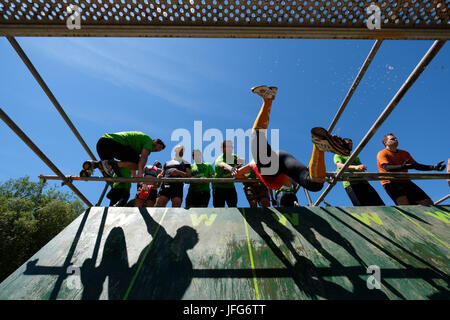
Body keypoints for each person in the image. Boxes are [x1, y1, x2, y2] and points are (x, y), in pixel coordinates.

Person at [233, 85, 351, 195]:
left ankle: (268, 100)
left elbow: (238, 174)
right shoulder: (254, 162)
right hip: (283, 157)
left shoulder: (253, 163)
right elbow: (239, 173)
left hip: (273, 168)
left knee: (258, 144)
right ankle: (319, 146)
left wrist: (234, 170)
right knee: (314, 184)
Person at [376, 133, 446, 205]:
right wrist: (403, 166)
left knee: (428, 203)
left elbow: (416, 166)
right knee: (405, 205)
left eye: (396, 138)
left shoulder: (404, 153)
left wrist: (433, 167)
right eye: (392, 139)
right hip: (390, 182)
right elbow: (387, 167)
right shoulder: (382, 153)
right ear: (385, 142)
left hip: (405, 181)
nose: (396, 140)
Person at [91, 131, 165, 177]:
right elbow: (143, 158)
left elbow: (131, 163)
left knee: (118, 172)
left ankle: (97, 164)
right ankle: (112, 164)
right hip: (111, 143)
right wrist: (140, 174)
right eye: (158, 147)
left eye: (158, 151)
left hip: (101, 144)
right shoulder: (148, 141)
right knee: (138, 163)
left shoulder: (137, 147)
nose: (156, 150)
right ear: (154, 141)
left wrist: (135, 176)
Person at [334, 138, 385, 206]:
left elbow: (361, 169)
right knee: (363, 207)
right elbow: (339, 165)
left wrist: (369, 175)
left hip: (363, 182)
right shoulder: (338, 155)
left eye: (351, 144)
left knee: (379, 204)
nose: (351, 145)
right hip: (351, 184)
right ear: (342, 145)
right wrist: (355, 167)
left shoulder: (355, 156)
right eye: (348, 144)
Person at [212, 140, 244, 208]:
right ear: (222, 149)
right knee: (219, 209)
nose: (230, 149)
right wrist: (231, 168)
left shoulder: (233, 156)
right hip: (218, 187)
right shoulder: (219, 159)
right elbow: (223, 165)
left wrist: (238, 163)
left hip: (230, 187)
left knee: (233, 208)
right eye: (227, 147)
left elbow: (243, 161)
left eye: (231, 147)